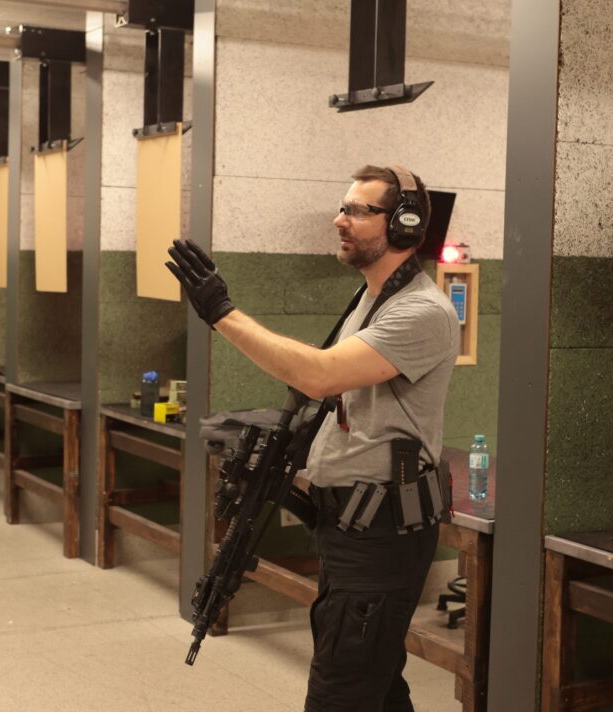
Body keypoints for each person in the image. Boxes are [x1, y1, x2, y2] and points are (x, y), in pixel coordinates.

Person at [166, 164, 459, 712]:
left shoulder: (422, 311)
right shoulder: (369, 300)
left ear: (403, 224)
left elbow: (318, 374)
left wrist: (221, 313)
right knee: (377, 687)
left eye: (356, 210)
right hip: (351, 530)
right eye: (343, 207)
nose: (339, 220)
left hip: (381, 538)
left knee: (339, 696)